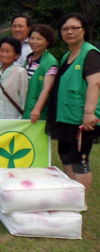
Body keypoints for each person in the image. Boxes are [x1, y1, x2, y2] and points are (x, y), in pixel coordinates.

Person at [46, 13, 100, 195]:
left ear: (84, 30)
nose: (69, 32)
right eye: (65, 29)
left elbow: (95, 83)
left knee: (79, 159)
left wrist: (89, 114)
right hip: (65, 115)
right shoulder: (67, 55)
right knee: (65, 154)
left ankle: (80, 199)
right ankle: (71, 194)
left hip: (81, 118)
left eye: (75, 28)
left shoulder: (90, 53)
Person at [0, 37, 28, 119]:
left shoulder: (20, 72)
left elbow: (23, 97)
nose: (3, 54)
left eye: (8, 52)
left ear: (16, 55)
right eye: (2, 51)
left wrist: (23, 118)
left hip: (12, 118)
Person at [24, 24, 58, 121]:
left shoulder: (51, 62)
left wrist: (37, 109)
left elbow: (46, 89)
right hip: (25, 108)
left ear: (48, 42)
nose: (34, 42)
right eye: (32, 38)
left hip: (38, 113)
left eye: (39, 39)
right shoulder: (29, 58)